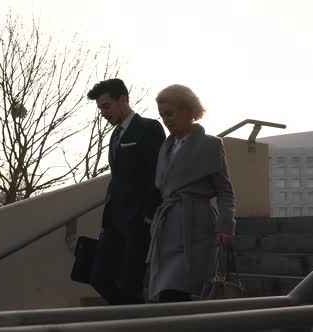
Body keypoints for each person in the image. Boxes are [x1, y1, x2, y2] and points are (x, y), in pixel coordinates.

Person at [146, 84, 236, 303]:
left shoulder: (211, 145)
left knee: (176, 289)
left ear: (187, 110)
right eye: (162, 115)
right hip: (166, 227)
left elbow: (224, 189)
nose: (166, 120)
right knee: (169, 292)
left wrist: (225, 225)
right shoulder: (166, 148)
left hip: (195, 225)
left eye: (170, 113)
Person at [87, 78, 166, 305]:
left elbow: (157, 176)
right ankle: (133, 314)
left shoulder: (149, 128)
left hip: (137, 223)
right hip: (114, 222)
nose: (103, 113)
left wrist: (147, 217)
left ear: (123, 100)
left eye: (106, 106)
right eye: (100, 108)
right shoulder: (115, 135)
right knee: (99, 277)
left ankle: (133, 320)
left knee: (131, 283)